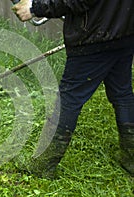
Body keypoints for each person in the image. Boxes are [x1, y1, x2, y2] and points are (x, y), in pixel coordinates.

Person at [12, 0, 134, 178]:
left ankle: (44, 163)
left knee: (68, 99)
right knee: (122, 93)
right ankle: (130, 158)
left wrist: (34, 8)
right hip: (124, 31)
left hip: (93, 35)